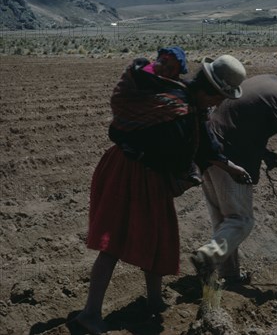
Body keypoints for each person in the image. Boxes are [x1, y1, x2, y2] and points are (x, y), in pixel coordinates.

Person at [75, 49, 249, 334]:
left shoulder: (190, 105)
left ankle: (154, 301)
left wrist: (229, 167)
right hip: (132, 172)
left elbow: (205, 144)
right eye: (219, 97)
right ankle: (90, 313)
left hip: (140, 171)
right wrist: (187, 176)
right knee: (114, 242)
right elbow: (177, 158)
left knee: (157, 237)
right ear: (209, 91)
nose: (219, 103)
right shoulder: (177, 111)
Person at [190, 43, 277, 286]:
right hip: (231, 159)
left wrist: (265, 154)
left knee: (224, 221)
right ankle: (207, 256)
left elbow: (241, 124)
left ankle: (229, 276)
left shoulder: (260, 81)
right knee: (242, 221)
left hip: (207, 154)